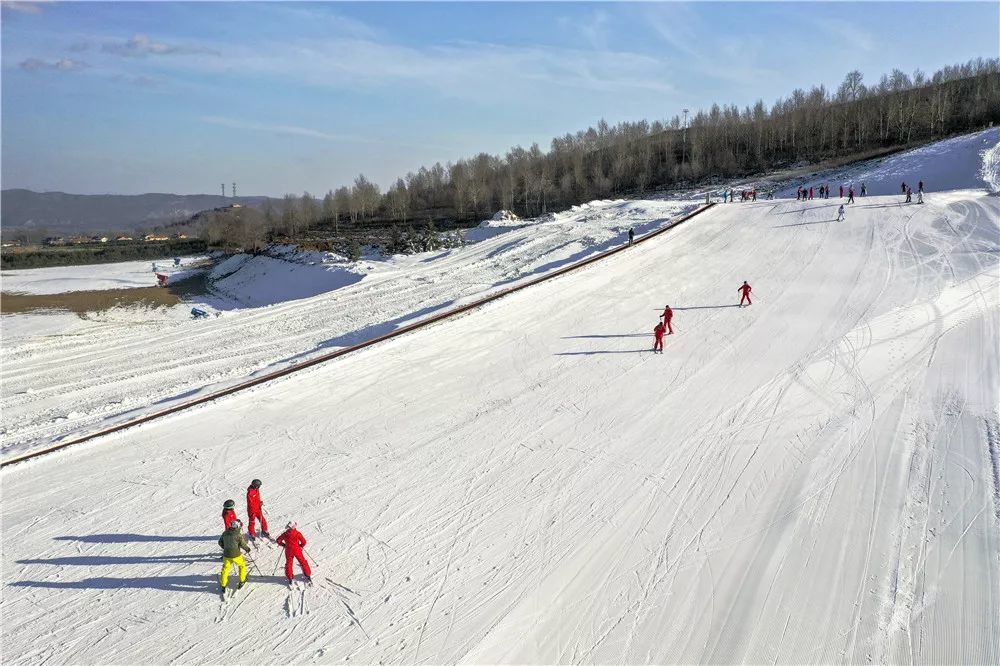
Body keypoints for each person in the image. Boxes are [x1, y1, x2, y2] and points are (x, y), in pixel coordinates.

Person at [219, 519, 251, 592]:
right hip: (236, 555)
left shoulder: (225, 533)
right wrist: (247, 549)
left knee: (225, 569)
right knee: (242, 566)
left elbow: (220, 542)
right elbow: (242, 544)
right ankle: (242, 580)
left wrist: (225, 547)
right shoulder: (238, 535)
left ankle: (223, 584)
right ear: (237, 526)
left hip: (227, 555)